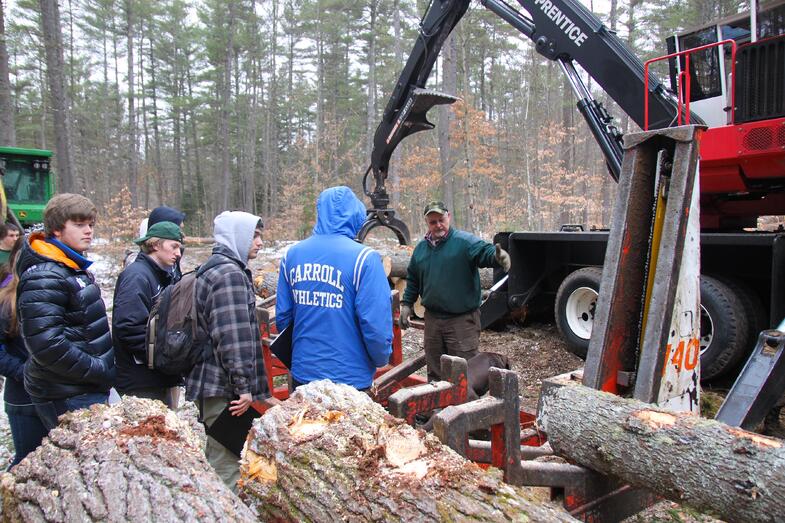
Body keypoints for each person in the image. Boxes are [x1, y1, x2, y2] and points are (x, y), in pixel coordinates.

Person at [276, 186, 392, 390]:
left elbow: (283, 318)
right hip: (350, 379)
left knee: (303, 413)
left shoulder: (292, 255)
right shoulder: (365, 259)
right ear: (355, 214)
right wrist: (381, 358)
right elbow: (375, 325)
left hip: (303, 375)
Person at [15, 193, 115, 432]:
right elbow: (46, 345)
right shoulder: (45, 275)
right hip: (67, 392)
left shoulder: (69, 267)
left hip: (82, 387)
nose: (88, 231)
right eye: (79, 225)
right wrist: (98, 369)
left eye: (90, 224)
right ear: (56, 230)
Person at [185, 210, 270, 490]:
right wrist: (243, 386)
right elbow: (232, 336)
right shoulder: (229, 275)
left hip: (215, 385)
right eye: (254, 236)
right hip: (223, 388)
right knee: (229, 465)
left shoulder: (216, 268)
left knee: (220, 452)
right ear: (237, 236)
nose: (259, 242)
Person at [399, 201, 511, 381]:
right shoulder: (420, 250)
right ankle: (436, 399)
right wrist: (406, 305)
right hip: (433, 320)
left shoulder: (464, 242)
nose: (438, 225)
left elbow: (484, 251)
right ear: (427, 223)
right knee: (435, 370)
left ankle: (464, 400)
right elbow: (413, 279)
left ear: (448, 217)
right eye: (433, 222)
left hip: (461, 321)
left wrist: (497, 256)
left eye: (441, 220)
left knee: (464, 373)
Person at [112, 221, 184, 408]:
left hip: (156, 377)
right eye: (174, 246)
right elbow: (129, 328)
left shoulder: (160, 275)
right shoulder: (137, 276)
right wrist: (164, 358)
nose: (178, 253)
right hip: (140, 381)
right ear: (155, 244)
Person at [0, 236, 48, 467]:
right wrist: (26, 372)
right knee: (26, 461)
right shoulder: (7, 301)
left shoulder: (51, 293)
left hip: (54, 394)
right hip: (23, 398)